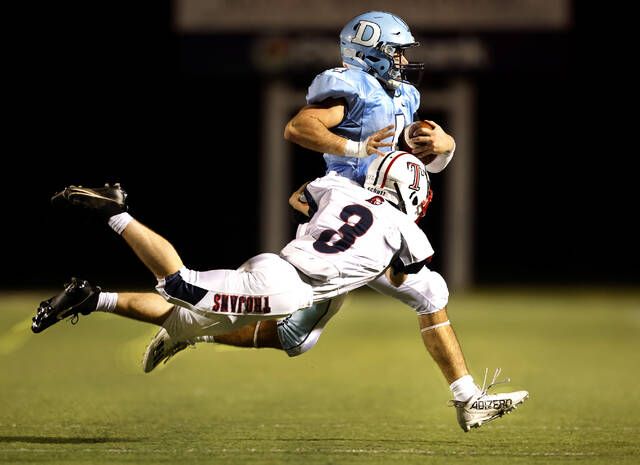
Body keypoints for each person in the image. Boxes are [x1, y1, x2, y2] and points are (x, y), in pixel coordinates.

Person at [33, 153, 528, 433]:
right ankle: (113, 211)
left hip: (279, 266)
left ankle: (89, 298)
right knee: (181, 285)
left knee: (182, 320)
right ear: (413, 191)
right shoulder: (405, 228)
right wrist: (374, 263)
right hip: (285, 291)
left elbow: (301, 198)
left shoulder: (341, 189)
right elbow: (406, 276)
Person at [279, 10, 528, 432]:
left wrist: (445, 144)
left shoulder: (403, 96)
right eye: (395, 51)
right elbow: (300, 127)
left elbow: (413, 157)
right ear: (369, 51)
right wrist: (354, 149)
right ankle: (192, 322)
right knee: (287, 327)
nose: (402, 60)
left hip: (380, 215)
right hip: (346, 210)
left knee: (298, 331)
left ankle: (469, 399)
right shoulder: (350, 86)